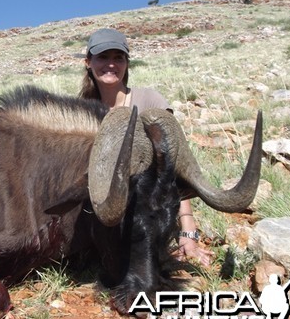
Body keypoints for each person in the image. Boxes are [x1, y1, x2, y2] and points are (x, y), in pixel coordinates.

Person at [79, 28, 214, 267]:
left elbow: (172, 168)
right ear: (88, 62)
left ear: (127, 63)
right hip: (102, 214)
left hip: (148, 210)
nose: (111, 64)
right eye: (103, 57)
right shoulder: (80, 113)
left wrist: (188, 231)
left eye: (118, 57)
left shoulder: (150, 101)